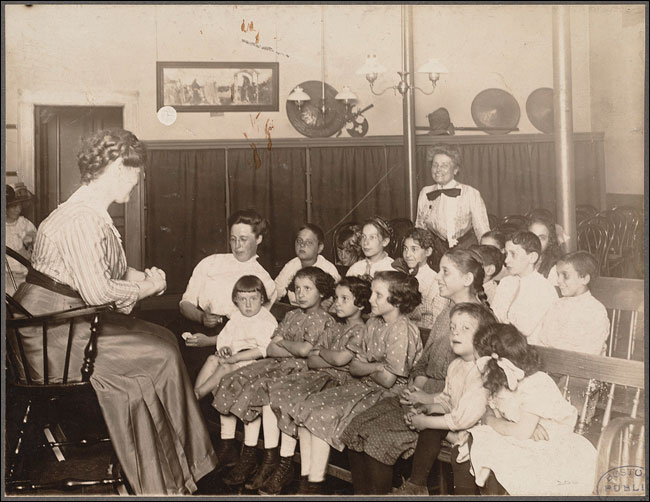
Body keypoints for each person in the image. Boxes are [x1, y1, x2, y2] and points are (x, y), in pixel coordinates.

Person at [12, 128, 216, 494]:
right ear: (117, 167)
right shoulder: (81, 219)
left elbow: (98, 273)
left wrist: (141, 277)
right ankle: (162, 477)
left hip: (63, 319)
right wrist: (147, 287)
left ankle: (170, 469)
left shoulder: (88, 212)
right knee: (158, 355)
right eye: (136, 173)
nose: (138, 182)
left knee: (162, 339)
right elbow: (97, 291)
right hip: (51, 334)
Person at [341, 249, 492, 494]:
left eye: (445, 272)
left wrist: (423, 398)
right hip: (423, 393)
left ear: (467, 279)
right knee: (357, 427)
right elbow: (424, 361)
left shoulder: (479, 319)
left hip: (449, 405)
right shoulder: (447, 313)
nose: (438, 278)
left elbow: (469, 384)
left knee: (377, 438)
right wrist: (416, 388)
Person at [292, 271, 423, 495]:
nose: (370, 299)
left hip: (388, 395)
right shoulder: (373, 322)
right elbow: (354, 367)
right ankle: (308, 481)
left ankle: (315, 485)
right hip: (363, 386)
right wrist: (376, 366)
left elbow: (388, 380)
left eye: (378, 295)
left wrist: (369, 368)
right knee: (307, 406)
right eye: (372, 293)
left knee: (324, 414)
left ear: (397, 301)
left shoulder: (402, 329)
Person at [213, 267, 336, 493]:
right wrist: (291, 348)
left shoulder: (323, 320)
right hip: (279, 365)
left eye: (307, 288)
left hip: (305, 373)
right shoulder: (292, 315)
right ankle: (254, 456)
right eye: (297, 288)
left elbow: (306, 351)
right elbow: (270, 348)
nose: (300, 294)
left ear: (322, 292)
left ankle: (282, 463)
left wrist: (285, 344)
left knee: (274, 393)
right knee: (244, 381)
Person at [458, 323, 597, 496]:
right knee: (477, 440)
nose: (479, 371)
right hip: (521, 439)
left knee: (490, 446)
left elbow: (517, 429)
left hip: (554, 447)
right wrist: (512, 423)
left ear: (496, 363)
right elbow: (493, 413)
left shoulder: (536, 383)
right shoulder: (500, 384)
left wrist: (494, 421)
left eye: (480, 365)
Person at [267, 277, 371, 495]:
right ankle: (305, 479)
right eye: (337, 298)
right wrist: (329, 357)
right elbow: (313, 360)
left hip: (340, 384)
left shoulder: (361, 330)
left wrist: (324, 354)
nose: (338, 303)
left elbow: (341, 360)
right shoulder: (335, 327)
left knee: (311, 412)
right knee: (297, 407)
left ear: (361, 304)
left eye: (345, 299)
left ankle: (314, 484)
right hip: (319, 376)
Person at [392, 303, 497, 495]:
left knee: (439, 433)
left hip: (480, 432)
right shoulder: (456, 365)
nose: (455, 333)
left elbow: (462, 418)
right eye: (452, 327)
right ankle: (417, 485)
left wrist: (424, 421)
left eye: (465, 328)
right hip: (460, 427)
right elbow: (447, 400)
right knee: (431, 426)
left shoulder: (484, 370)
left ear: (484, 337)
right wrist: (427, 409)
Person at [180, 209, 277, 379]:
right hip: (194, 323)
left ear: (259, 239)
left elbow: (252, 331)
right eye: (233, 239)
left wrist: (211, 340)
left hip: (231, 338)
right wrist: (201, 317)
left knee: (196, 369)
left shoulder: (264, 281)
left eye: (243, 239)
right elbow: (185, 302)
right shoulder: (210, 262)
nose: (237, 245)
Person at [191, 275, 278, 400]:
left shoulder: (266, 320)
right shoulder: (237, 317)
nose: (248, 305)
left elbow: (263, 349)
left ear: (262, 299)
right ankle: (195, 395)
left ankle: (199, 394)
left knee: (225, 367)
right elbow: (226, 336)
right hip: (234, 357)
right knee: (212, 359)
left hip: (255, 363)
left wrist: (235, 358)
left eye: (253, 299)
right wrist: (225, 348)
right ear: (236, 300)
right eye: (243, 300)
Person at [415, 144, 491, 270]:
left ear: (455, 169)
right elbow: (420, 229)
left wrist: (486, 260)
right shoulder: (425, 192)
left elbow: (482, 231)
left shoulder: (471, 193)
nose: (438, 169)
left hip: (466, 250)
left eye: (444, 165)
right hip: (436, 253)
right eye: (435, 165)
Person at [491, 231, 558, 343]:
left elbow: (523, 328)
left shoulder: (543, 289)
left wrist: (503, 318)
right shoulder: (506, 282)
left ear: (532, 257)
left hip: (531, 349)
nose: (506, 260)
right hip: (503, 343)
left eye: (513, 254)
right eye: (506, 254)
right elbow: (493, 318)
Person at [395, 228, 450, 328]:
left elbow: (436, 323)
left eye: (414, 249)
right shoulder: (398, 274)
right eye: (405, 248)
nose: (407, 254)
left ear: (428, 251)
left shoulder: (435, 281)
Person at [274, 224, 340, 305]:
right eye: (299, 241)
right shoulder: (291, 265)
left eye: (309, 242)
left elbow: (330, 304)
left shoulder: (328, 269)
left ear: (320, 248)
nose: (302, 245)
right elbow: (274, 294)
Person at [5, 184, 37, 294]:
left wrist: (31, 242)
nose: (18, 210)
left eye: (20, 206)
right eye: (14, 207)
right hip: (6, 276)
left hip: (25, 274)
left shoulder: (25, 224)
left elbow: (36, 246)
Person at [527, 214, 563, 285]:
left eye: (542, 238)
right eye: (532, 236)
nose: (536, 242)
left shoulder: (553, 268)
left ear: (550, 241)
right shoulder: (520, 260)